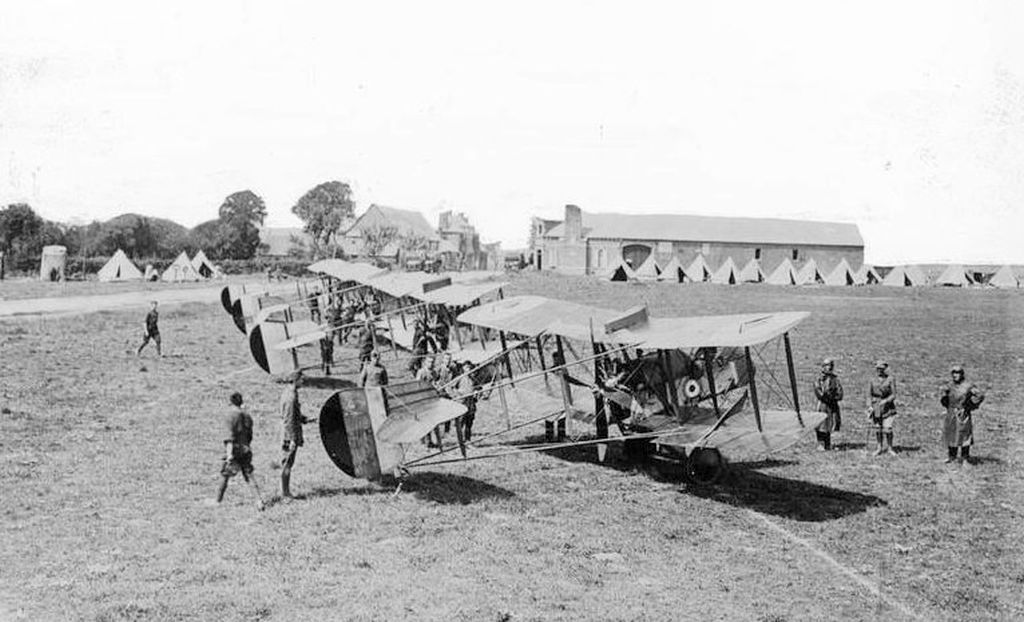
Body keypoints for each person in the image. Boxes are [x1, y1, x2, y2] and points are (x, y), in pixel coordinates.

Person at [215, 392, 265, 510]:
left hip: (234, 449)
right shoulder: (247, 416)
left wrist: (229, 454)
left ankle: (217, 501)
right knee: (249, 475)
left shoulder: (230, 416)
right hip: (246, 449)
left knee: (225, 475)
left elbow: (229, 437)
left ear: (230, 402)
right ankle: (259, 501)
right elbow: (250, 435)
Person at [940, 364, 985, 465]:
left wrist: (970, 406)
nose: (955, 375)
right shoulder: (949, 385)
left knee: (964, 435)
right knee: (951, 434)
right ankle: (952, 456)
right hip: (951, 413)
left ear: (962, 374)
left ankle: (965, 457)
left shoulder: (968, 386)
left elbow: (980, 395)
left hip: (963, 414)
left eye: (958, 373)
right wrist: (945, 402)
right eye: (954, 373)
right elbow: (944, 396)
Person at [279, 374, 313, 498]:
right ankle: (285, 493)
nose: (303, 381)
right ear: (295, 380)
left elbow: (293, 414)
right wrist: (292, 439)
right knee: (287, 463)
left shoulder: (290, 393)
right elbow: (289, 420)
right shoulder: (291, 398)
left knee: (288, 463)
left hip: (289, 432)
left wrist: (304, 419)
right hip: (289, 434)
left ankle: (285, 491)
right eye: (301, 379)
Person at [867, 360, 897, 456]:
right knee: (878, 428)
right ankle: (879, 447)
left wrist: (886, 401)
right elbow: (869, 395)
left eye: (881, 369)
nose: (879, 371)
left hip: (888, 407)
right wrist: (870, 406)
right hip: (876, 407)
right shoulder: (872, 379)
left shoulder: (890, 379)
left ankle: (890, 448)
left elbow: (893, 394)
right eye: (878, 369)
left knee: (888, 428)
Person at [813, 358, 843, 450]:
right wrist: (826, 397)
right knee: (821, 423)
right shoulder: (819, 380)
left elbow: (840, 393)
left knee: (830, 423)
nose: (829, 368)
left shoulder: (835, 379)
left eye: (830, 366)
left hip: (832, 404)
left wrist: (833, 398)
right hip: (823, 404)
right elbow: (819, 393)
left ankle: (828, 443)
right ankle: (820, 443)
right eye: (827, 366)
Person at [456, 361, 478, 441]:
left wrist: (476, 391)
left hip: (471, 401)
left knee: (469, 421)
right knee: (461, 421)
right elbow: (449, 387)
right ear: (463, 368)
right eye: (466, 367)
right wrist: (457, 395)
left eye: (469, 367)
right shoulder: (460, 378)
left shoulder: (472, 378)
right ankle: (460, 441)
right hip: (463, 401)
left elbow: (478, 387)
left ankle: (468, 440)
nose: (468, 369)